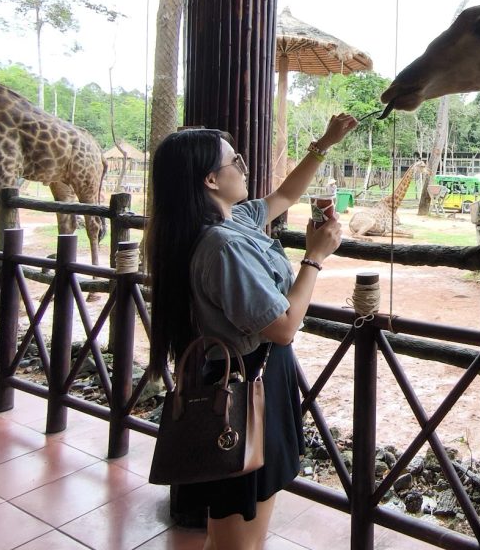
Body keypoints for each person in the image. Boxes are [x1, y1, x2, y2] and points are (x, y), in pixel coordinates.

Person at [147, 113, 357, 550]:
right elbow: (283, 327)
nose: (243, 167)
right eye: (235, 161)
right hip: (242, 384)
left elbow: (285, 195)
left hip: (254, 376)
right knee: (237, 533)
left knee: (249, 518)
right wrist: (315, 257)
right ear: (210, 180)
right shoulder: (223, 245)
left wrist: (324, 142)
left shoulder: (234, 221)